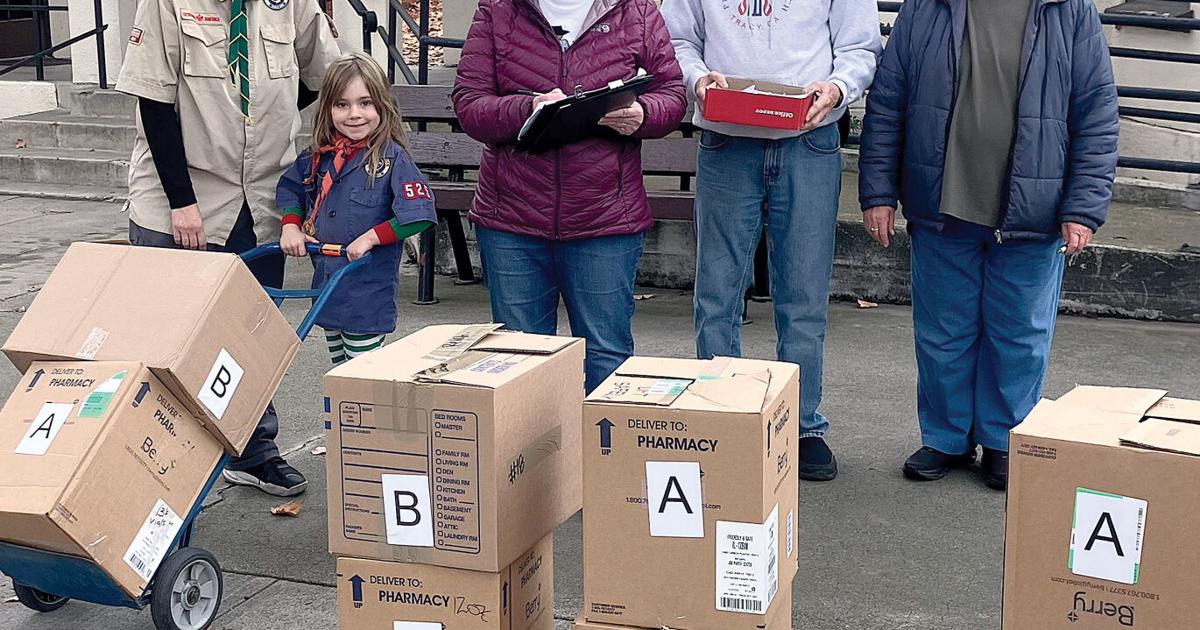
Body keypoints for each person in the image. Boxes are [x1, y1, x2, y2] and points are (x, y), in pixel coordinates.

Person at [858, 0, 1119, 490]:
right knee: (942, 333)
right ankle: (947, 438)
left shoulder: (1071, 11)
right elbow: (888, 102)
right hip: (941, 204)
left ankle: (1004, 439)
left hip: (1033, 213)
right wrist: (878, 192)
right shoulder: (927, 8)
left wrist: (1082, 208)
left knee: (1019, 335)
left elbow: (1097, 114)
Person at [116, 0, 341, 496]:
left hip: (259, 195)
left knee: (249, 337)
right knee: (164, 339)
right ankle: (150, 460)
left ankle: (253, 451)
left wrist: (269, 111)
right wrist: (182, 202)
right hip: (180, 196)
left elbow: (326, 73)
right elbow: (152, 101)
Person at [663, 0, 881, 480]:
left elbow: (860, 47)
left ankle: (802, 425)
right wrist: (696, 78)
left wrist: (838, 86)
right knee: (717, 291)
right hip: (726, 139)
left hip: (809, 137)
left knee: (803, 293)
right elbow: (676, 39)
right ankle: (722, 415)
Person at [451, 0, 687, 393]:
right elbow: (470, 104)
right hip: (513, 218)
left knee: (607, 358)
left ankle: (601, 455)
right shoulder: (498, 9)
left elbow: (673, 94)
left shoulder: (637, 11)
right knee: (518, 361)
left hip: (605, 217)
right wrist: (528, 107)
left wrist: (643, 113)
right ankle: (532, 455)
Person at [277, 53, 436, 363]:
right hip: (327, 286)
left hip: (366, 292)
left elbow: (418, 215)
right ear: (328, 109)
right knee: (339, 371)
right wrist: (290, 225)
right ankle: (342, 413)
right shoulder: (319, 155)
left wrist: (371, 238)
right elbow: (290, 187)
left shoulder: (392, 159)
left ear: (382, 105)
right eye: (342, 105)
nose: (354, 114)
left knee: (360, 374)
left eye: (365, 103)